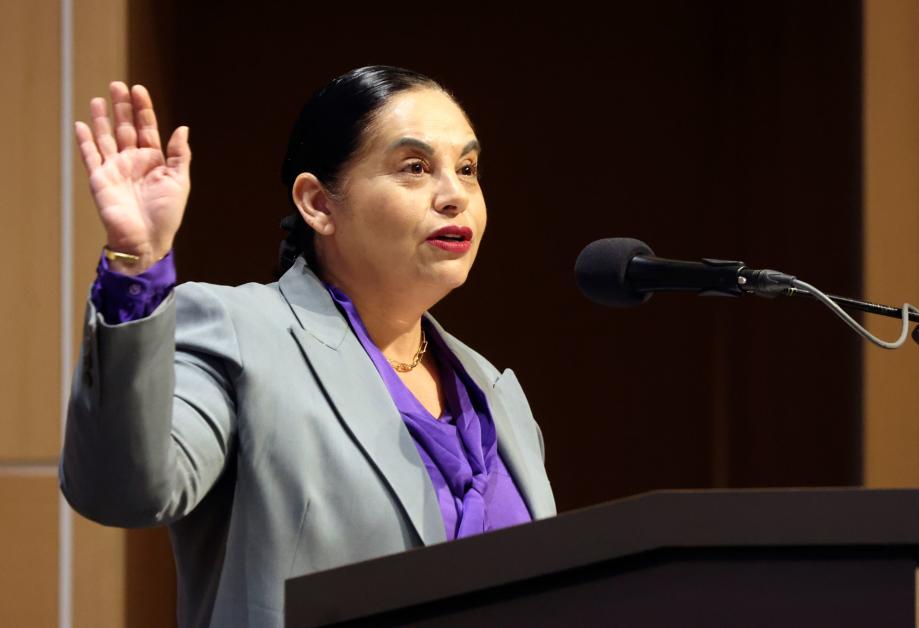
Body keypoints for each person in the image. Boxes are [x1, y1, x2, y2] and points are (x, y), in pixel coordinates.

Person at [59, 66, 556, 627]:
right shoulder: (243, 334)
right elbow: (122, 490)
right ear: (318, 203)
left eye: (467, 169)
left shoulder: (497, 393)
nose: (454, 196)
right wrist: (137, 266)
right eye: (415, 168)